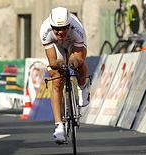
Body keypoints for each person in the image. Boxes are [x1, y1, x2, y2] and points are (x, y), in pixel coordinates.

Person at [40, 7, 90, 143]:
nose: (60, 32)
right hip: (55, 45)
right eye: (56, 29)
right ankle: (59, 126)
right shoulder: (45, 31)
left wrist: (72, 63)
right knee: (56, 80)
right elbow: (52, 62)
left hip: (74, 42)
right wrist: (60, 65)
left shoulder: (77, 28)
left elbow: (79, 58)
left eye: (64, 28)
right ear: (51, 26)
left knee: (78, 64)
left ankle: (82, 87)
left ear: (69, 25)